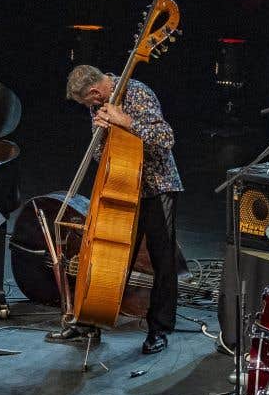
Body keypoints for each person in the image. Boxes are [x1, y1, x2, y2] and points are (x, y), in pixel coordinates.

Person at [66, 64, 182, 353]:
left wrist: (126, 121)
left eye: (88, 103)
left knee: (162, 260)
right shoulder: (99, 106)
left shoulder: (137, 93)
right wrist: (100, 132)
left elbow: (166, 139)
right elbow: (97, 156)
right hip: (120, 187)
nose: (90, 108)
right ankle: (91, 319)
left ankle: (159, 330)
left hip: (157, 187)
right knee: (115, 257)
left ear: (94, 91)